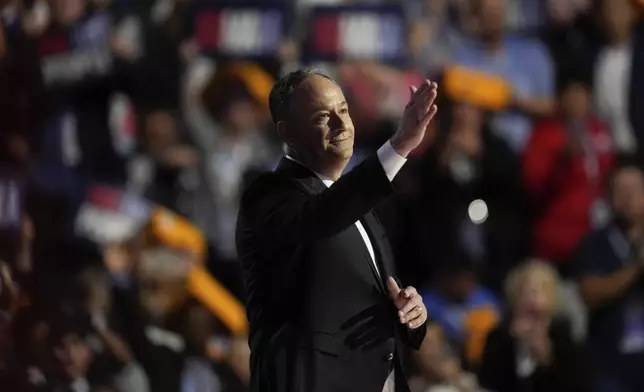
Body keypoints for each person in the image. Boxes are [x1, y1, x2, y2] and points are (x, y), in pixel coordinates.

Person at [236, 68, 438, 392]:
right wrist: (398, 147)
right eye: (322, 117)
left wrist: (412, 313)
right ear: (287, 132)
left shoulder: (362, 209)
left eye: (343, 110)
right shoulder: (268, 194)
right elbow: (320, 219)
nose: (341, 124)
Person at [573, 163, 644, 392]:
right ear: (609, 197)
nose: (629, 197)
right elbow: (590, 293)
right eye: (622, 190)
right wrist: (635, 270)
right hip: (611, 362)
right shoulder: (596, 243)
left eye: (635, 189)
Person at [478, 260, 588, 392]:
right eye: (528, 292)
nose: (534, 300)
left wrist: (546, 361)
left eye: (542, 291)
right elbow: (487, 384)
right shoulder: (499, 337)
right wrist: (509, 343)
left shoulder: (564, 337)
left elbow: (577, 386)